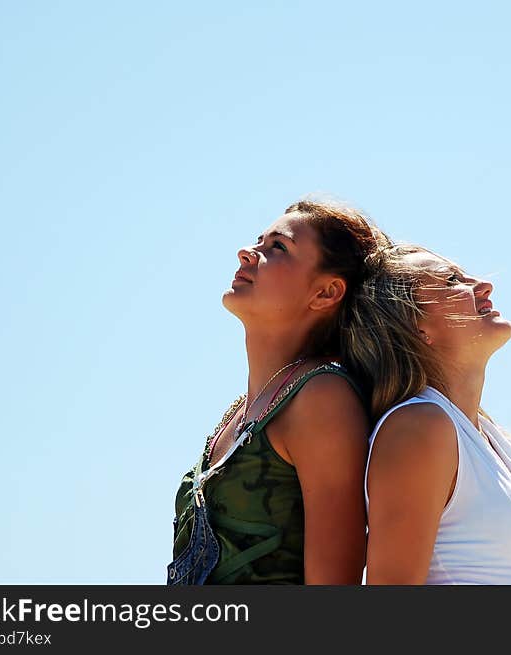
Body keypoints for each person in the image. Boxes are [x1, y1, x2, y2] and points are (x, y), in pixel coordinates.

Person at [167, 198, 390, 585]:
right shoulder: (239, 410)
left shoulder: (322, 398)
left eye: (278, 247)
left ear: (325, 293)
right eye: (259, 240)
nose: (248, 252)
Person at [362, 244, 511, 584]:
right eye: (451, 280)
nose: (483, 285)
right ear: (416, 327)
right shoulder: (419, 427)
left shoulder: (480, 435)